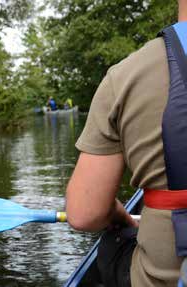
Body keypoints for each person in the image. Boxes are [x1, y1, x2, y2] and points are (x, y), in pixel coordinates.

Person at [66, 1, 187, 286]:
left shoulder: (126, 75)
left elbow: (85, 214)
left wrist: (119, 216)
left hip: (162, 279)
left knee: (115, 240)